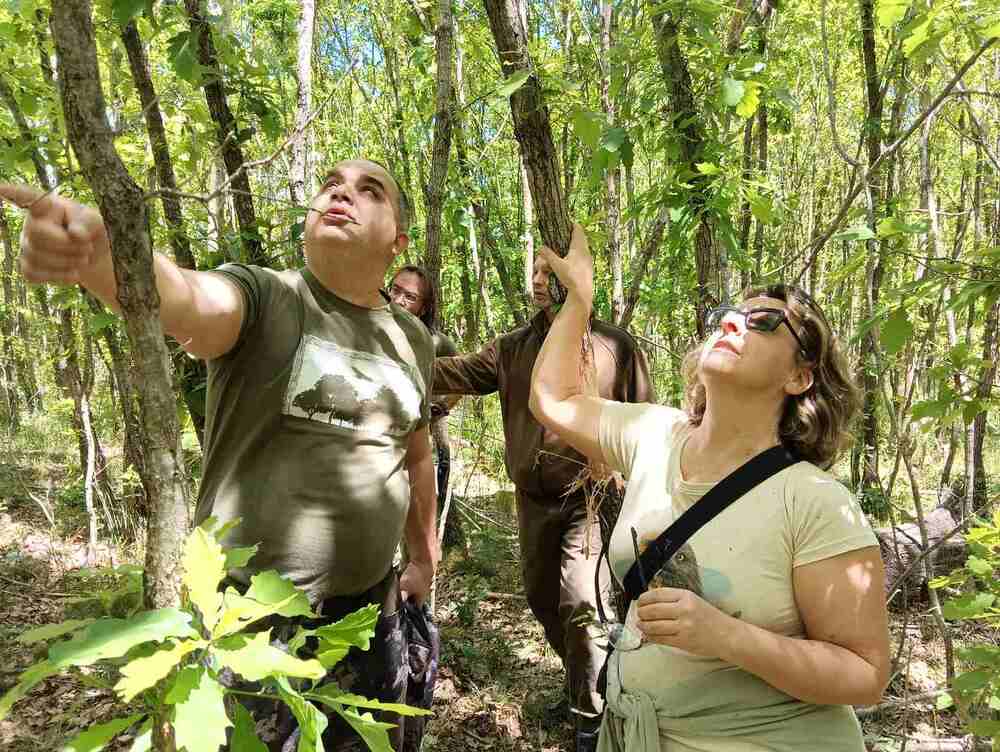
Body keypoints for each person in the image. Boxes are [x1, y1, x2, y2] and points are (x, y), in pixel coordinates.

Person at [1, 160, 439, 752]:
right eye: (331, 184)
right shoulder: (268, 296)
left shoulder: (410, 339)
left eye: (370, 191)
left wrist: (423, 555)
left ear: (398, 242)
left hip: (365, 618)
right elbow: (188, 298)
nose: (342, 193)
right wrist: (98, 256)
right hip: (245, 623)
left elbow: (415, 455)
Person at [529, 225, 891, 752]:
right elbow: (554, 398)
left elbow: (865, 674)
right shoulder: (653, 435)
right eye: (727, 314)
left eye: (764, 322)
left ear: (799, 378)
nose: (732, 323)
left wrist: (725, 636)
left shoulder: (814, 501)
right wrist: (579, 299)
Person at [432, 248, 654, 752]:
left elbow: (646, 421)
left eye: (546, 273)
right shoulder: (513, 347)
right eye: (532, 271)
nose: (535, 281)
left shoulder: (615, 347)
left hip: (590, 498)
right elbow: (458, 372)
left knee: (580, 600)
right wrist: (392, 354)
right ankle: (584, 679)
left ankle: (593, 720)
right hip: (532, 500)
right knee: (542, 598)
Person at [388, 265, 460, 535]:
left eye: (409, 297)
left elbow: (462, 381)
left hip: (424, 426)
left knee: (439, 462)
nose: (399, 300)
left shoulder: (435, 341)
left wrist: (441, 408)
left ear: (424, 306)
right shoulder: (369, 329)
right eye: (395, 291)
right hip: (382, 438)